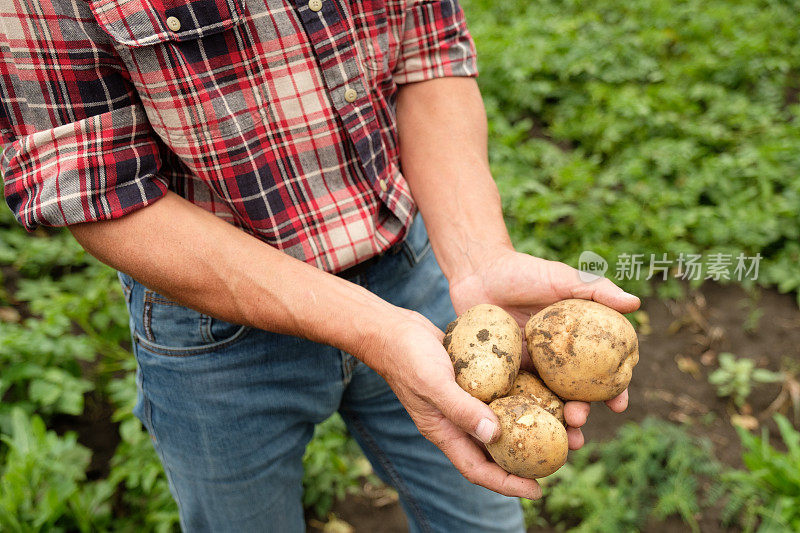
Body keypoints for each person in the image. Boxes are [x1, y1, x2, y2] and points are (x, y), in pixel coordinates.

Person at [0, 0, 639, 531]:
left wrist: (479, 257)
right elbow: (95, 189)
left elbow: (429, 51)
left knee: (483, 519)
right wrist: (369, 328)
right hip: (211, 332)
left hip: (413, 268)